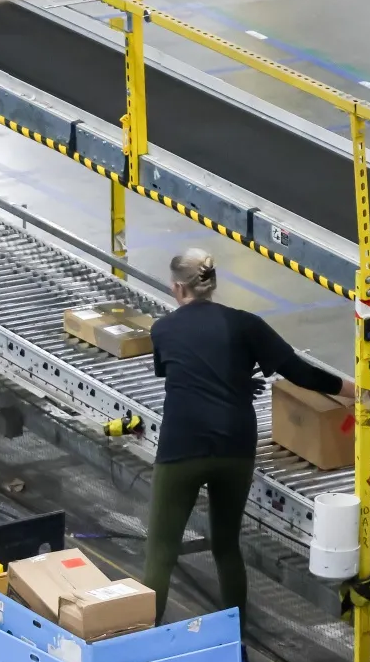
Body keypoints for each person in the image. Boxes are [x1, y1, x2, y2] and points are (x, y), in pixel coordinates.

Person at [143, 248, 357, 629]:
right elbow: (300, 373)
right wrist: (358, 391)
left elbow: (179, 372)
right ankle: (235, 644)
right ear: (212, 283)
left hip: (182, 447)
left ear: (177, 288)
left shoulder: (163, 330)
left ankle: (145, 648)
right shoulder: (246, 324)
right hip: (234, 446)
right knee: (226, 547)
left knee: (161, 553)